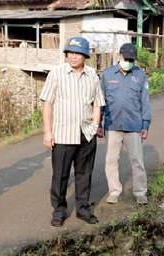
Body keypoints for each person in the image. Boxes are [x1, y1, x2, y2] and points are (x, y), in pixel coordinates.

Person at [40, 36, 105, 227]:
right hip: (62, 134)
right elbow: (47, 103)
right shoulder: (57, 73)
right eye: (70, 53)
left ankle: (83, 209)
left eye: (78, 53)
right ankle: (59, 210)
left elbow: (98, 103)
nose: (73, 57)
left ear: (85, 55)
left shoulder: (92, 75)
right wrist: (47, 132)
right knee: (60, 174)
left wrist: (94, 126)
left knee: (84, 174)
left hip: (86, 133)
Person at [99, 42, 151, 205]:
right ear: (119, 56)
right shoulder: (107, 75)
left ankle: (140, 192)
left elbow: (145, 101)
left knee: (137, 161)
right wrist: (99, 124)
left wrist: (145, 124)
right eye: (126, 58)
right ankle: (114, 191)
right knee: (111, 160)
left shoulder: (140, 75)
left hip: (134, 125)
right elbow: (100, 101)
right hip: (112, 125)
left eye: (132, 59)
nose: (129, 62)